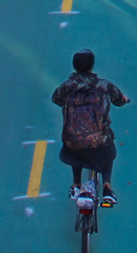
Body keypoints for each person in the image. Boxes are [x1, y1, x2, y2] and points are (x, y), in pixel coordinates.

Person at [53, 49, 130, 207]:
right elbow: (118, 99)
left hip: (72, 143)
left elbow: (56, 98)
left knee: (76, 144)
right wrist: (125, 99)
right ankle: (107, 188)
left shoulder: (67, 86)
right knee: (108, 149)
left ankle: (76, 185)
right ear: (92, 66)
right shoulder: (102, 85)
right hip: (98, 142)